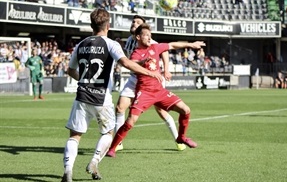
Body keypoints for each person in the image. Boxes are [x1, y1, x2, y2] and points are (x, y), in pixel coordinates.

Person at [61, 9, 162, 182]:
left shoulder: (81, 44)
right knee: (108, 133)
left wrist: (84, 79)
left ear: (92, 25)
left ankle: (68, 172)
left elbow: (70, 70)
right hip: (102, 98)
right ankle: (94, 162)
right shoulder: (111, 44)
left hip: (82, 96)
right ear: (108, 26)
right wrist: (150, 72)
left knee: (75, 136)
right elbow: (126, 63)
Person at [106, 23, 206, 158]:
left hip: (160, 91)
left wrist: (191, 44)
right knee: (130, 121)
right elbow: (132, 64)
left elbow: (173, 45)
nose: (149, 38)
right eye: (146, 35)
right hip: (144, 92)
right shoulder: (137, 52)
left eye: (150, 35)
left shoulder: (155, 47)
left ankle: (181, 138)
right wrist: (143, 62)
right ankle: (112, 148)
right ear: (138, 37)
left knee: (186, 110)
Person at [114, 15, 186, 152]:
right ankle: (118, 143)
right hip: (134, 79)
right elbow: (129, 59)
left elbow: (164, 51)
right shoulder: (130, 40)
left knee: (161, 111)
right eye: (133, 21)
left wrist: (166, 70)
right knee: (119, 108)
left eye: (137, 22)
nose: (134, 23)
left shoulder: (149, 40)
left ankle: (178, 140)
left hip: (150, 80)